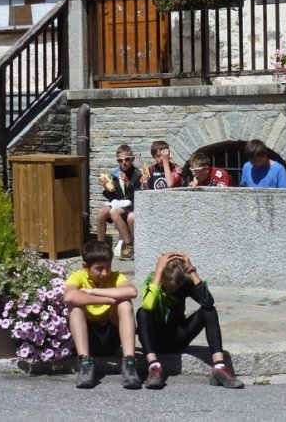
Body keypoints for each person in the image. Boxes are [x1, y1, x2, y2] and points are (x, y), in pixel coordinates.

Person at [136, 252, 244, 390]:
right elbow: (148, 305)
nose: (171, 290)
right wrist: (158, 272)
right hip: (155, 341)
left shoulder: (184, 284)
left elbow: (208, 301)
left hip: (177, 338)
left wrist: (191, 270)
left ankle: (218, 367)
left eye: (174, 288)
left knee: (209, 311)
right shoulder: (153, 281)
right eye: (167, 287)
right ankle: (154, 367)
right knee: (142, 312)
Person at [64, 239, 140, 389]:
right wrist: (109, 299)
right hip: (88, 339)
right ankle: (85, 363)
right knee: (75, 307)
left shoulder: (116, 277)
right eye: (99, 268)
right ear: (85, 266)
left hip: (111, 337)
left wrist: (93, 291)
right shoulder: (78, 276)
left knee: (125, 304)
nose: (105, 273)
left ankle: (130, 362)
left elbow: (132, 291)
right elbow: (69, 297)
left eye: (108, 267)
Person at [96, 145, 142, 261]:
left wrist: (128, 183)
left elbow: (137, 196)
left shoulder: (137, 174)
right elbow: (114, 197)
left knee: (115, 212)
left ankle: (130, 245)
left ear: (132, 159)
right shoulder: (115, 174)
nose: (124, 163)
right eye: (120, 160)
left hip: (132, 205)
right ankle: (100, 247)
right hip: (119, 203)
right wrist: (107, 188)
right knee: (101, 211)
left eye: (127, 159)